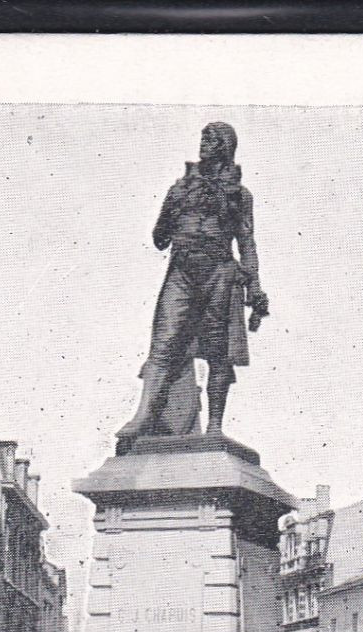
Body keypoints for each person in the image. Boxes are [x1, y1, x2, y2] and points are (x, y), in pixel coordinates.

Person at [117, 121, 269, 446]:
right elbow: (159, 239)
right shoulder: (180, 187)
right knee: (163, 341)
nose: (204, 143)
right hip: (182, 271)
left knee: (218, 351)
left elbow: (247, 241)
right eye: (202, 137)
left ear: (225, 147)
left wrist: (254, 285)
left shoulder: (239, 195)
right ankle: (143, 415)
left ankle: (214, 424)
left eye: (211, 139)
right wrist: (170, 210)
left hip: (219, 272)